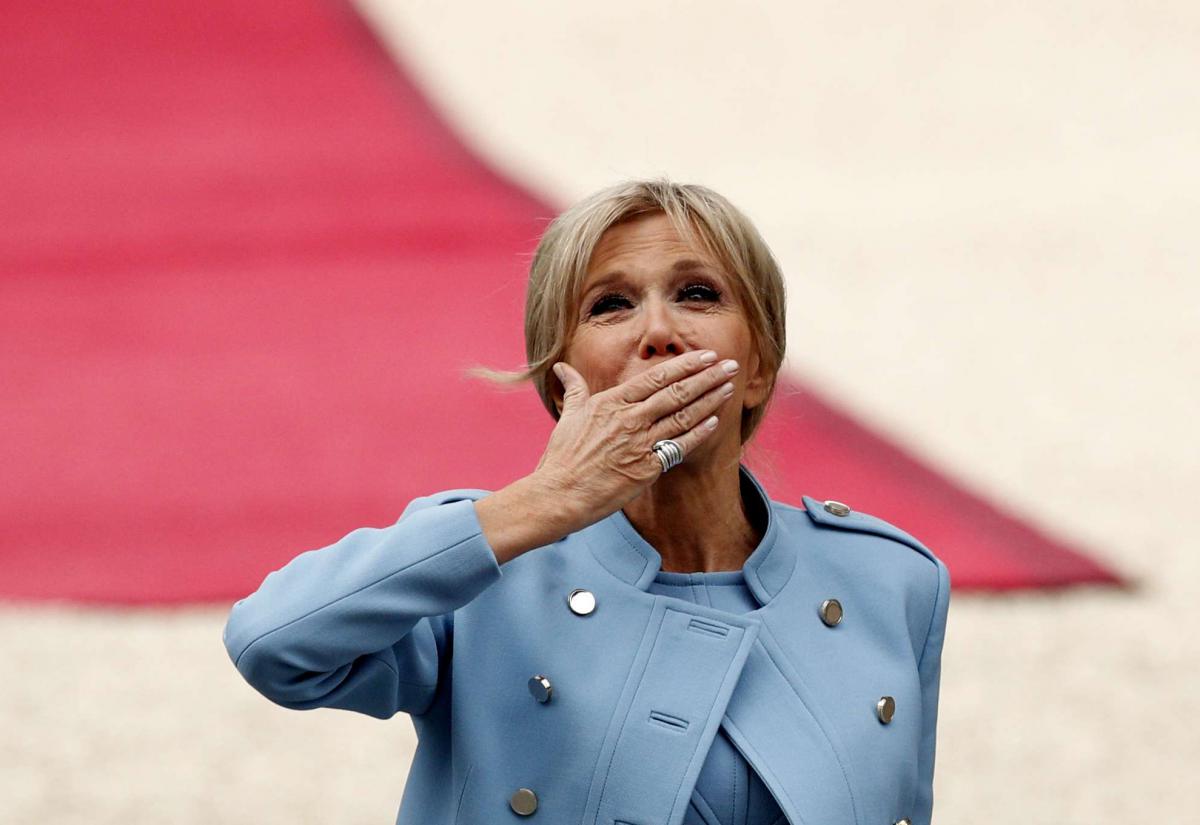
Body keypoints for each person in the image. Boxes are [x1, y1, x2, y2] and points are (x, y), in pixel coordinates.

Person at [222, 179, 952, 825]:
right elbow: (273, 645)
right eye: (611, 305)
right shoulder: (488, 569)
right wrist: (540, 503)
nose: (660, 332)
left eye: (698, 294)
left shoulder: (892, 581)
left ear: (758, 365)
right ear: (559, 381)